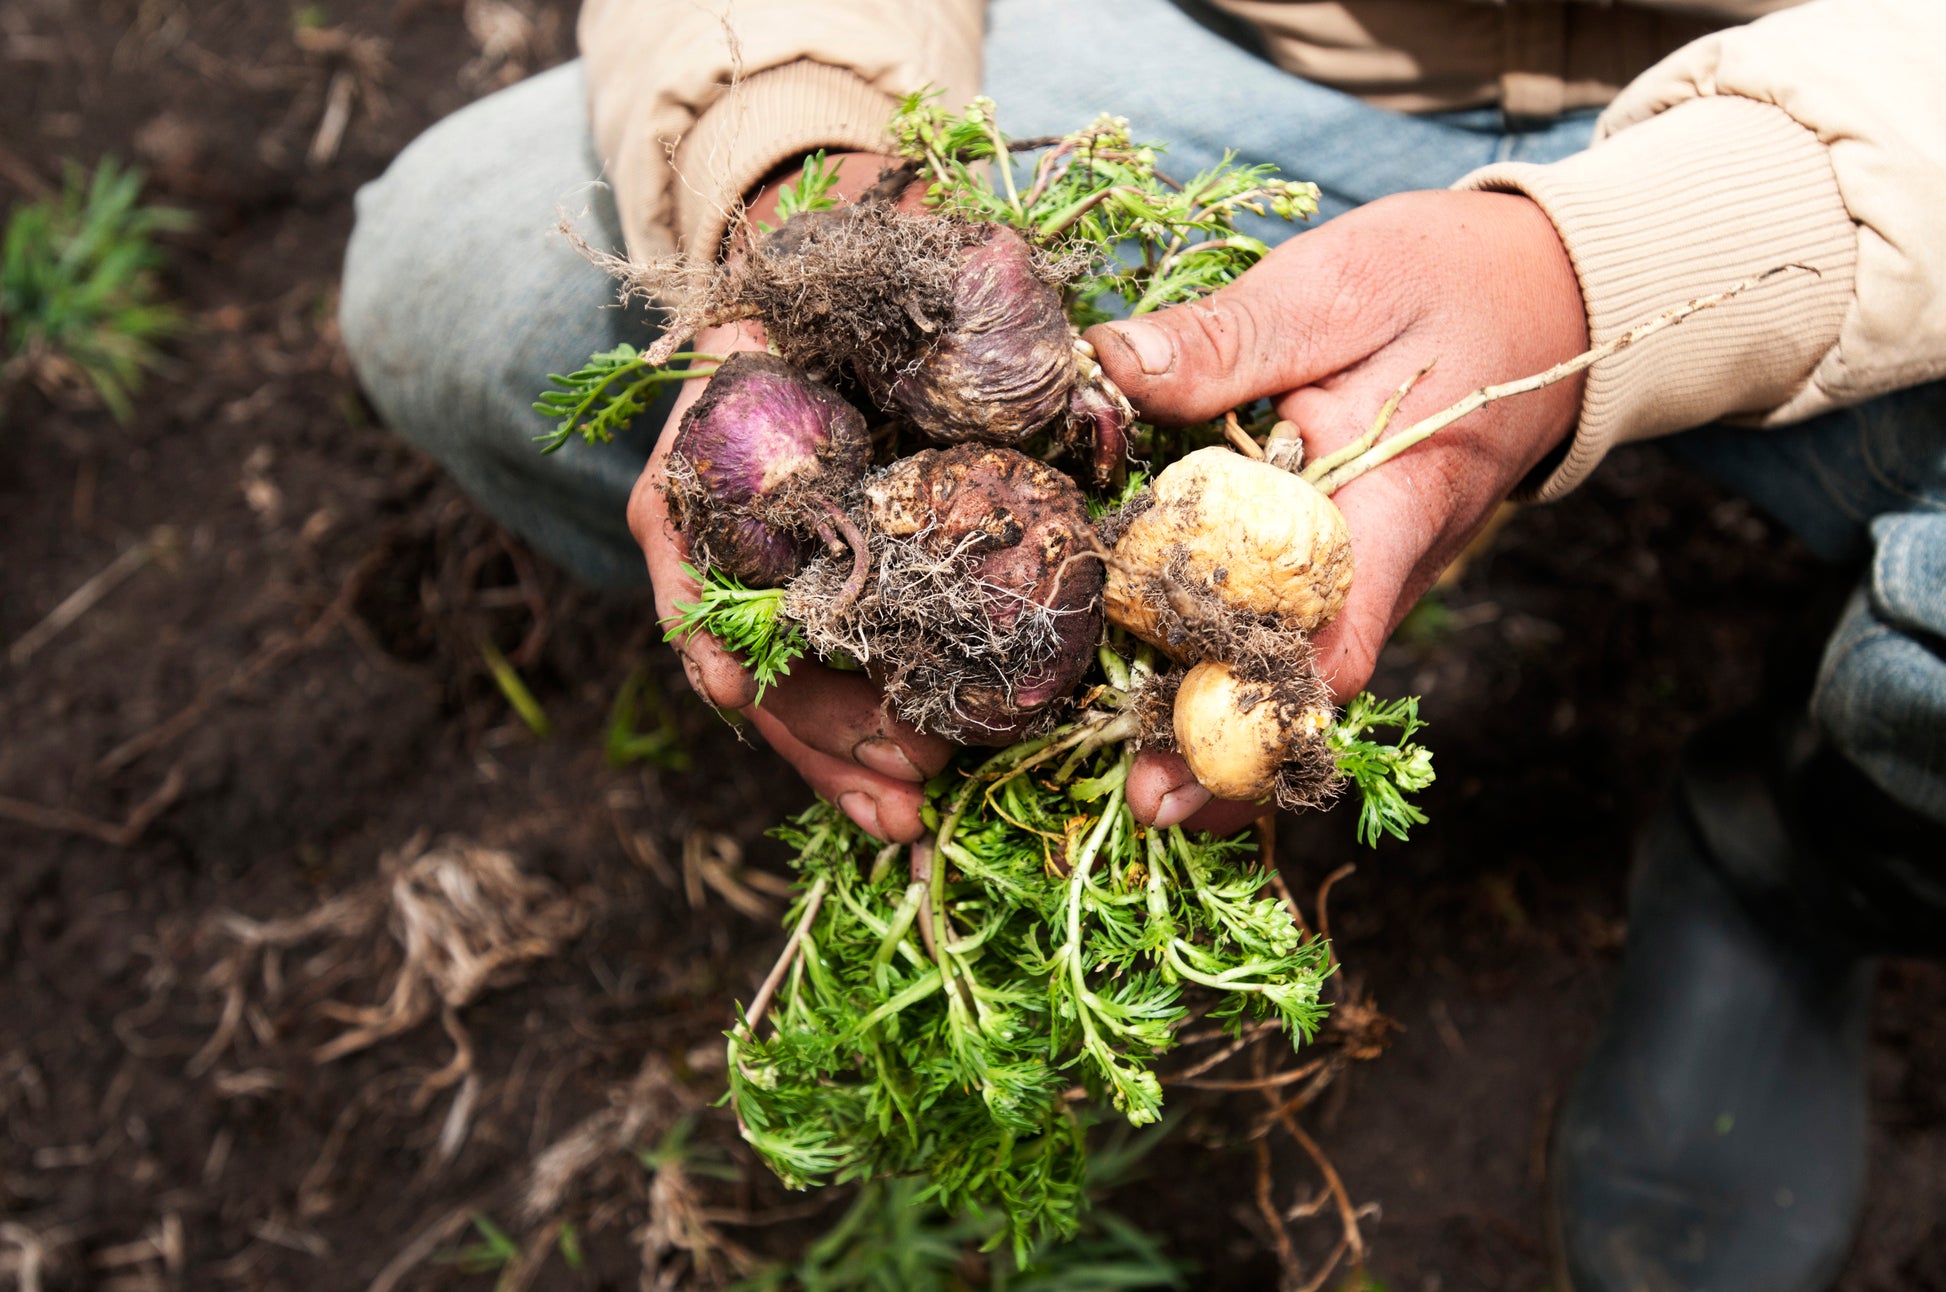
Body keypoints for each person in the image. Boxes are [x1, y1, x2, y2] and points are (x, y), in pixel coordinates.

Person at [339, 0, 1946, 1286]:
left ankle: (1796, 865)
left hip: (1851, 147)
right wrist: (806, 186)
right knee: (473, 273)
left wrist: (1592, 272)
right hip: (1227, 55)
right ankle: (971, 740)